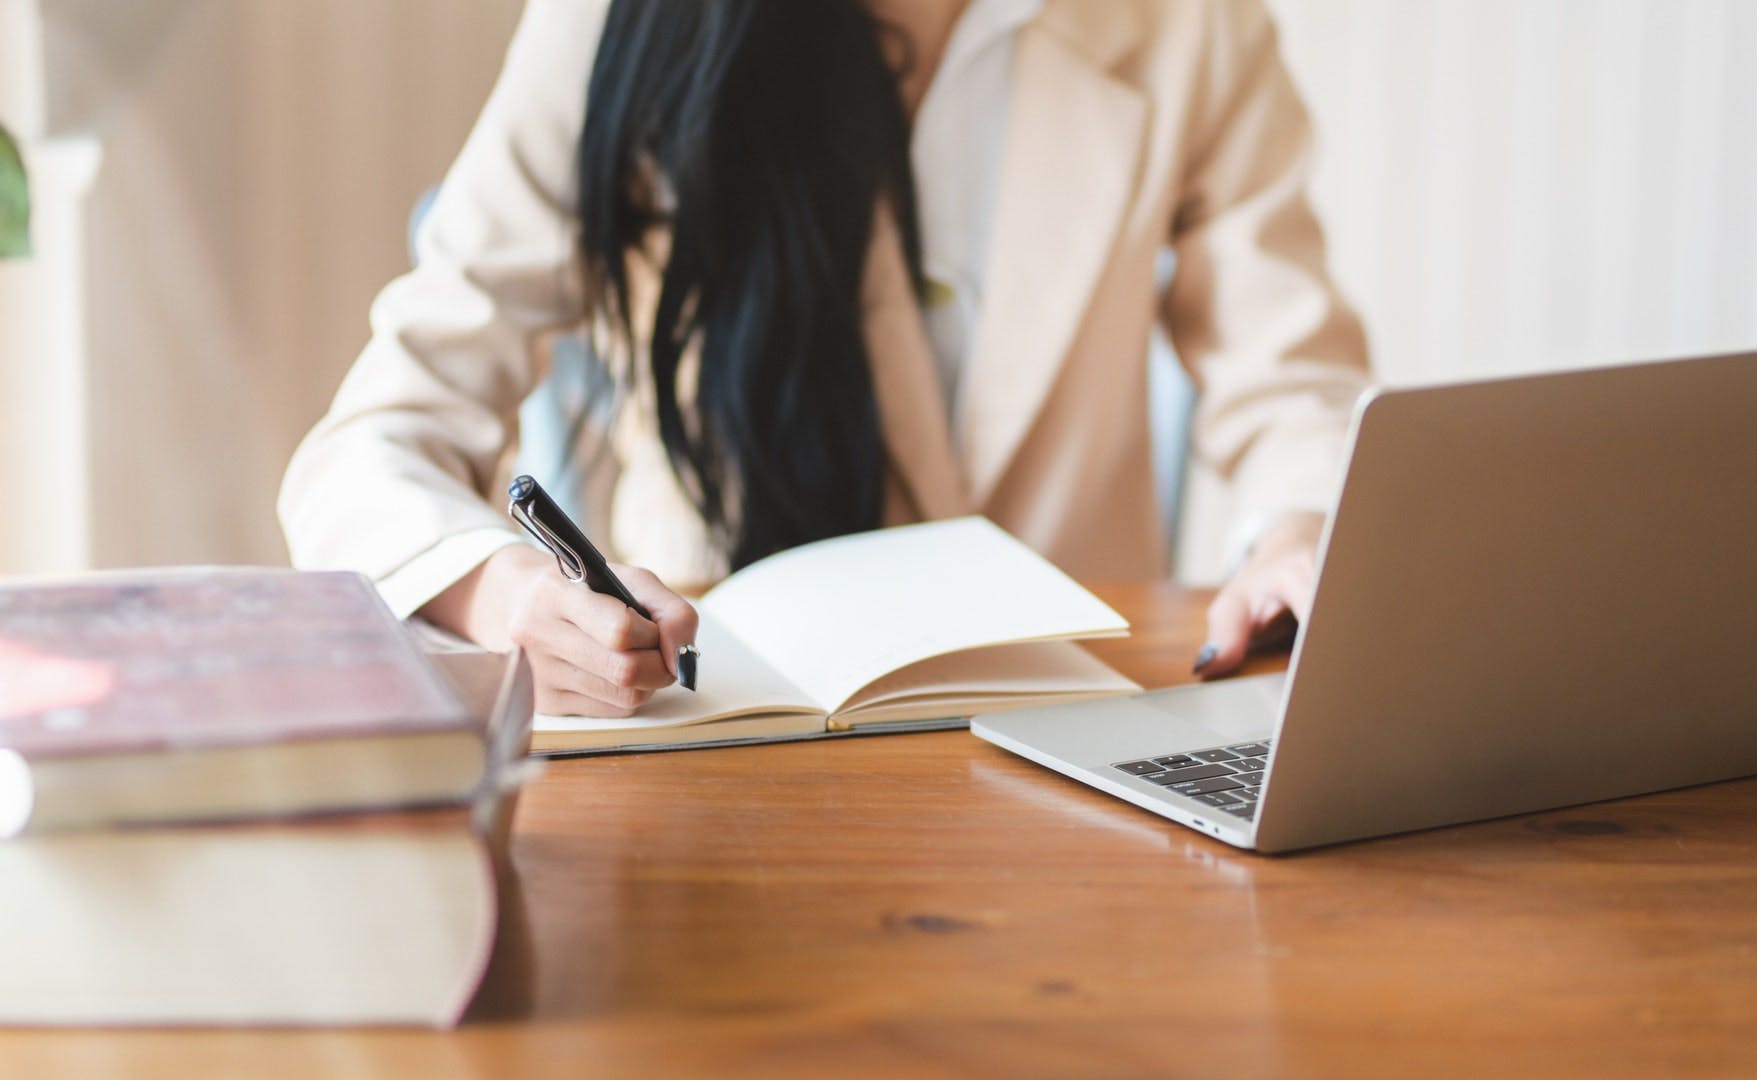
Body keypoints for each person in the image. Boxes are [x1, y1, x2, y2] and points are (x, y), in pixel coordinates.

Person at [279, 0, 1370, 719]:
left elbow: (1292, 385)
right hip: (724, 731)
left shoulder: (1190, 25)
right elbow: (372, 445)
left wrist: (1297, 532)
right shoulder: (616, 24)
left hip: (1070, 731)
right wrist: (506, 596)